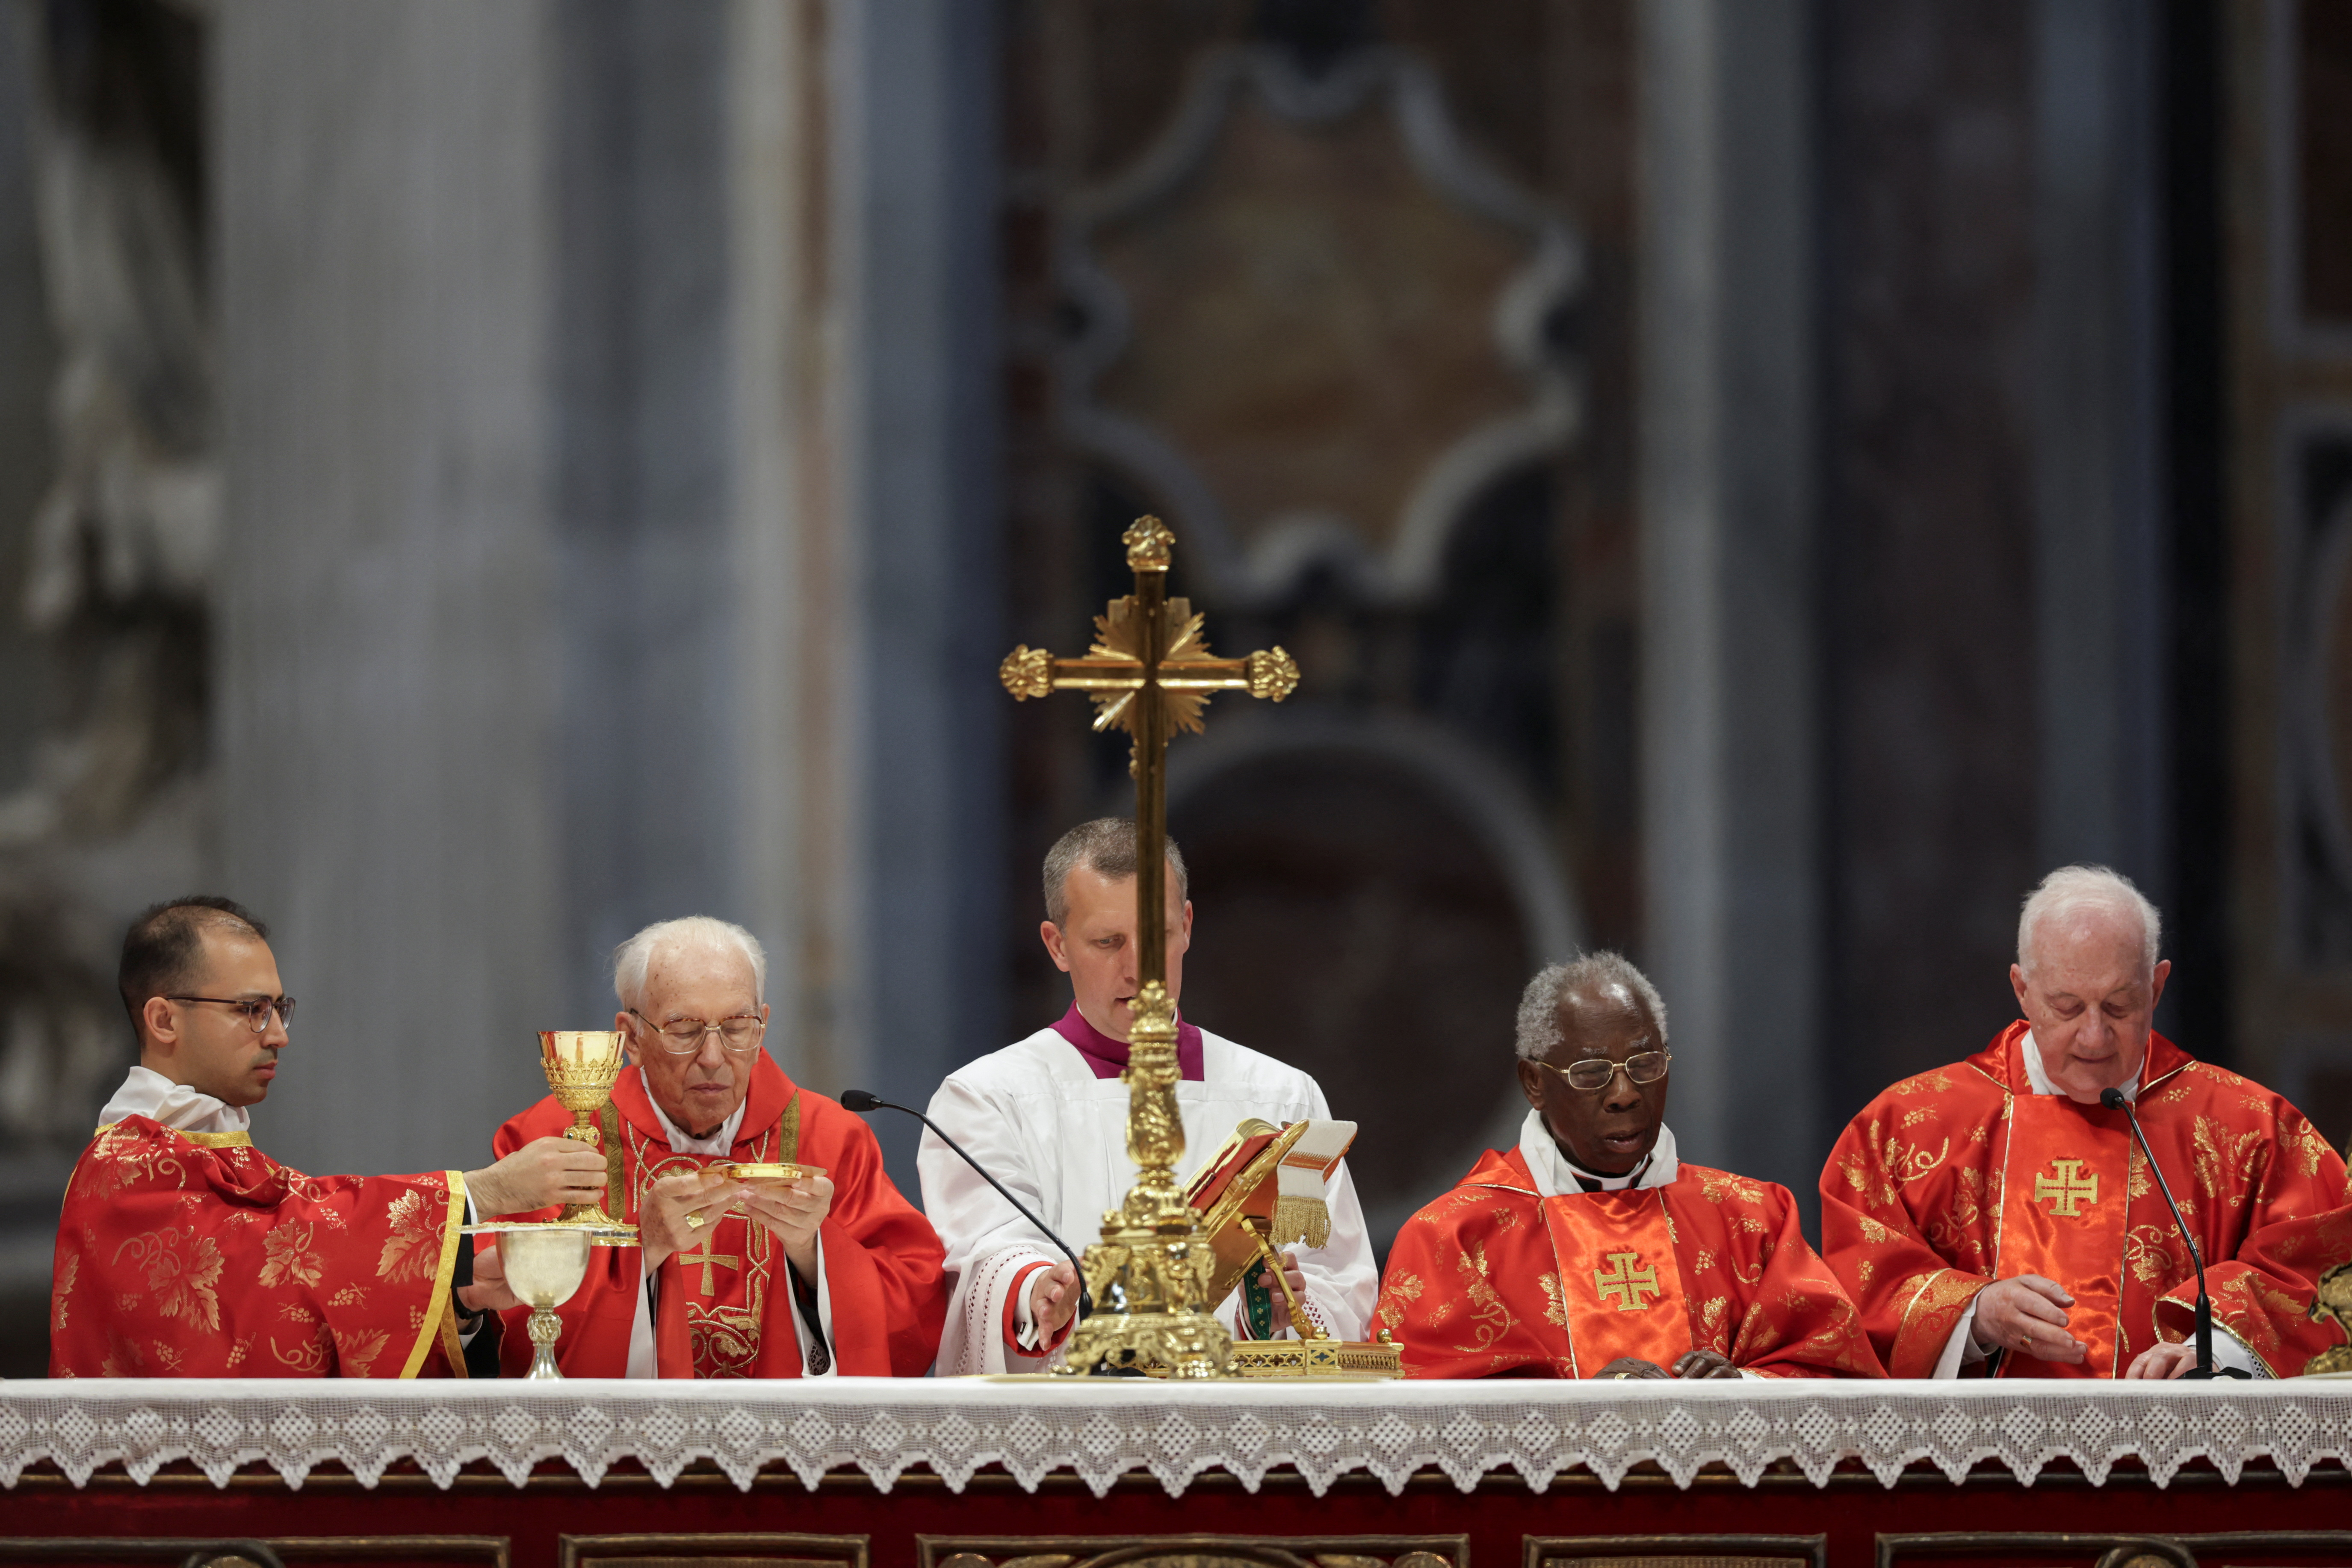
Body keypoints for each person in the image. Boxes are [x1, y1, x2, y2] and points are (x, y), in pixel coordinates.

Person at [1821, 865, 2352, 1379]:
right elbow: (1857, 1286)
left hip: (2184, 1455)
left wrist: (2216, 1350)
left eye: (2118, 1006)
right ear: (2022, 990)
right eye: (2067, 1007)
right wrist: (1971, 1313)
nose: (2093, 1037)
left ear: (2157, 987)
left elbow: (2321, 1275)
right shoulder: (1910, 1126)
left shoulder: (2249, 1128)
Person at [50, 897, 603, 1377]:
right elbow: (274, 1267)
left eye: (278, 1007)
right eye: (252, 1009)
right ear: (164, 1020)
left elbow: (301, 1278)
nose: (279, 1034)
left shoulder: (222, 1153)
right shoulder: (124, 1170)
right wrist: (486, 1191)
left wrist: (454, 1295)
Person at [922, 818, 1379, 1374]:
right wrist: (1038, 1288)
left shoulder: (1281, 1096)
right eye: (1108, 941)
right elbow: (988, 1248)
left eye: (1156, 935)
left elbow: (1340, 1281)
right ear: (1058, 945)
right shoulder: (988, 1098)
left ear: (1186, 925)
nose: (1140, 969)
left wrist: (1275, 1312)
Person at [1376, 953, 1882, 1379]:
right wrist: (1585, 1409)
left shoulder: (1751, 1218)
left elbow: (1834, 1365)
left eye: (1644, 1065)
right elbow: (1424, 1415)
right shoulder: (1454, 1239)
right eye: (1592, 1072)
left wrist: (1743, 1387)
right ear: (1533, 1082)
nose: (1624, 1095)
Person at [489, 916, 945, 1378]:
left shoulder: (828, 1138)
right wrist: (642, 1252)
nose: (712, 1057)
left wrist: (813, 1250)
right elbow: (501, 1312)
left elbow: (915, 1308)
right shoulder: (552, 1140)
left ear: (763, 1025)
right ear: (631, 1037)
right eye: (684, 1030)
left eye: (736, 1027)